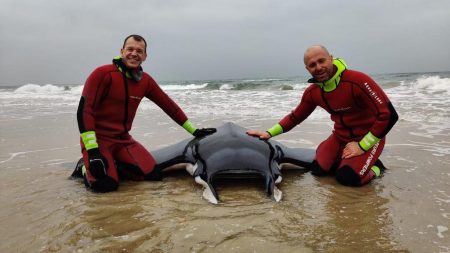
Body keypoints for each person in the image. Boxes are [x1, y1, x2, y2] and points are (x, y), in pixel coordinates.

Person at [75, 34, 216, 192]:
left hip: (123, 141)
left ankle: (113, 164)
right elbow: (84, 112)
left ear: (145, 56)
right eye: (130, 49)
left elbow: (169, 106)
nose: (134, 53)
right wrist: (93, 151)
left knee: (154, 176)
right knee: (106, 186)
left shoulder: (144, 81)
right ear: (122, 51)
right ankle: (84, 167)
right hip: (98, 139)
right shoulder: (103, 74)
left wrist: (194, 130)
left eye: (139, 51)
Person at [247, 45, 398, 186]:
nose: (318, 67)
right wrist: (268, 133)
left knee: (347, 178)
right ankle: (351, 161)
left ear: (331, 58)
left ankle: (376, 167)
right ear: (307, 69)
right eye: (312, 65)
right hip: (340, 137)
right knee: (318, 170)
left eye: (321, 61)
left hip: (369, 138)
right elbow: (295, 117)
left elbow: (389, 115)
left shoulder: (357, 81)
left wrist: (362, 146)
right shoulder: (314, 92)